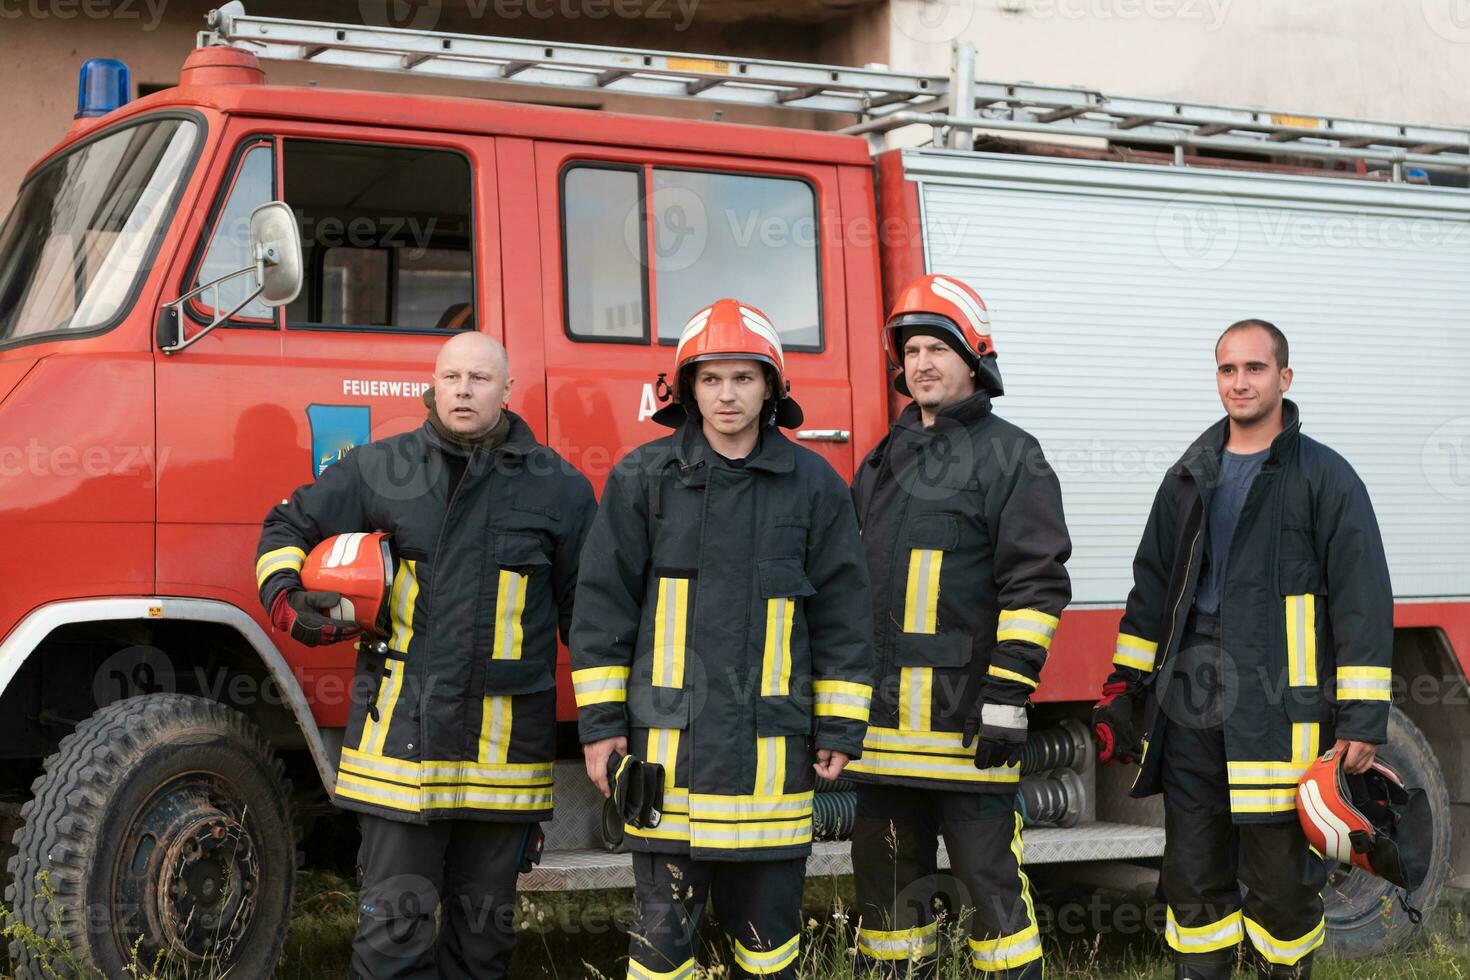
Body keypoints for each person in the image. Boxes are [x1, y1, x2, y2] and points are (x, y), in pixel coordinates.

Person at [254, 331, 595, 979]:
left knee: (482, 951)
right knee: (391, 947)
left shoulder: (560, 490)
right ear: (433, 385)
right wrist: (289, 600)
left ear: (507, 390)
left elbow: (593, 619)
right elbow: (287, 527)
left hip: (503, 772)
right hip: (399, 762)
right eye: (452, 377)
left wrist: (612, 724)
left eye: (480, 378)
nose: (464, 389)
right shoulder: (380, 468)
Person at [570, 299, 874, 980]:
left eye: (743, 378)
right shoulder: (642, 479)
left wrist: (840, 724)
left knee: (769, 960)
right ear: (686, 389)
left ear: (771, 388)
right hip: (665, 768)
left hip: (769, 773)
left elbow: (846, 615)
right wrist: (600, 728)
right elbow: (602, 609)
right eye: (711, 379)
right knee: (659, 958)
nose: (726, 395)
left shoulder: (816, 485)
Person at [1092, 319, 1393, 980]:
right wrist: (1126, 688)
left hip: (1282, 708)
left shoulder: (1326, 478)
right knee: (1194, 875)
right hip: (1192, 703)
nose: (1240, 382)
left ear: (1284, 378)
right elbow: (1152, 588)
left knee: (1280, 884)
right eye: (1228, 369)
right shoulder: (1190, 473)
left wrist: (1363, 718)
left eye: (1255, 369)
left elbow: (1362, 600)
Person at [846, 274, 1072, 979]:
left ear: (973, 357)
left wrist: (1007, 701)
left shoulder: (1012, 455)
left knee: (992, 892)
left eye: (937, 348)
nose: (921, 364)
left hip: (966, 734)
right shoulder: (882, 460)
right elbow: (849, 589)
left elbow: (1035, 585)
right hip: (882, 744)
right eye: (911, 350)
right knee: (885, 900)